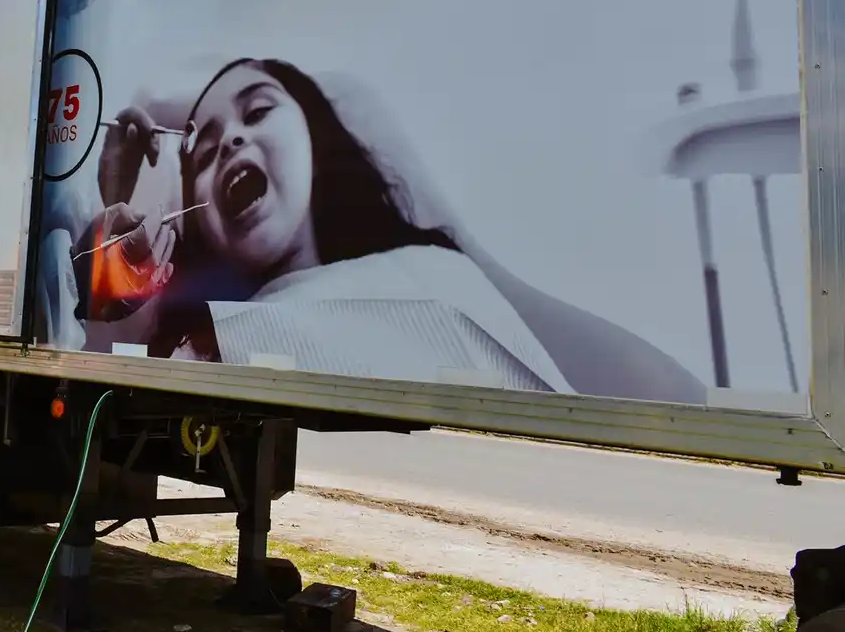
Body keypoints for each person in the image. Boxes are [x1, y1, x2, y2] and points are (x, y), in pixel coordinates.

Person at [76, 57, 706, 402]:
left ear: (315, 140)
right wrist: (119, 205)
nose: (233, 140)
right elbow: (108, 367)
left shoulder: (438, 269)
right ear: (201, 225)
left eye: (258, 110)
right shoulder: (215, 343)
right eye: (207, 150)